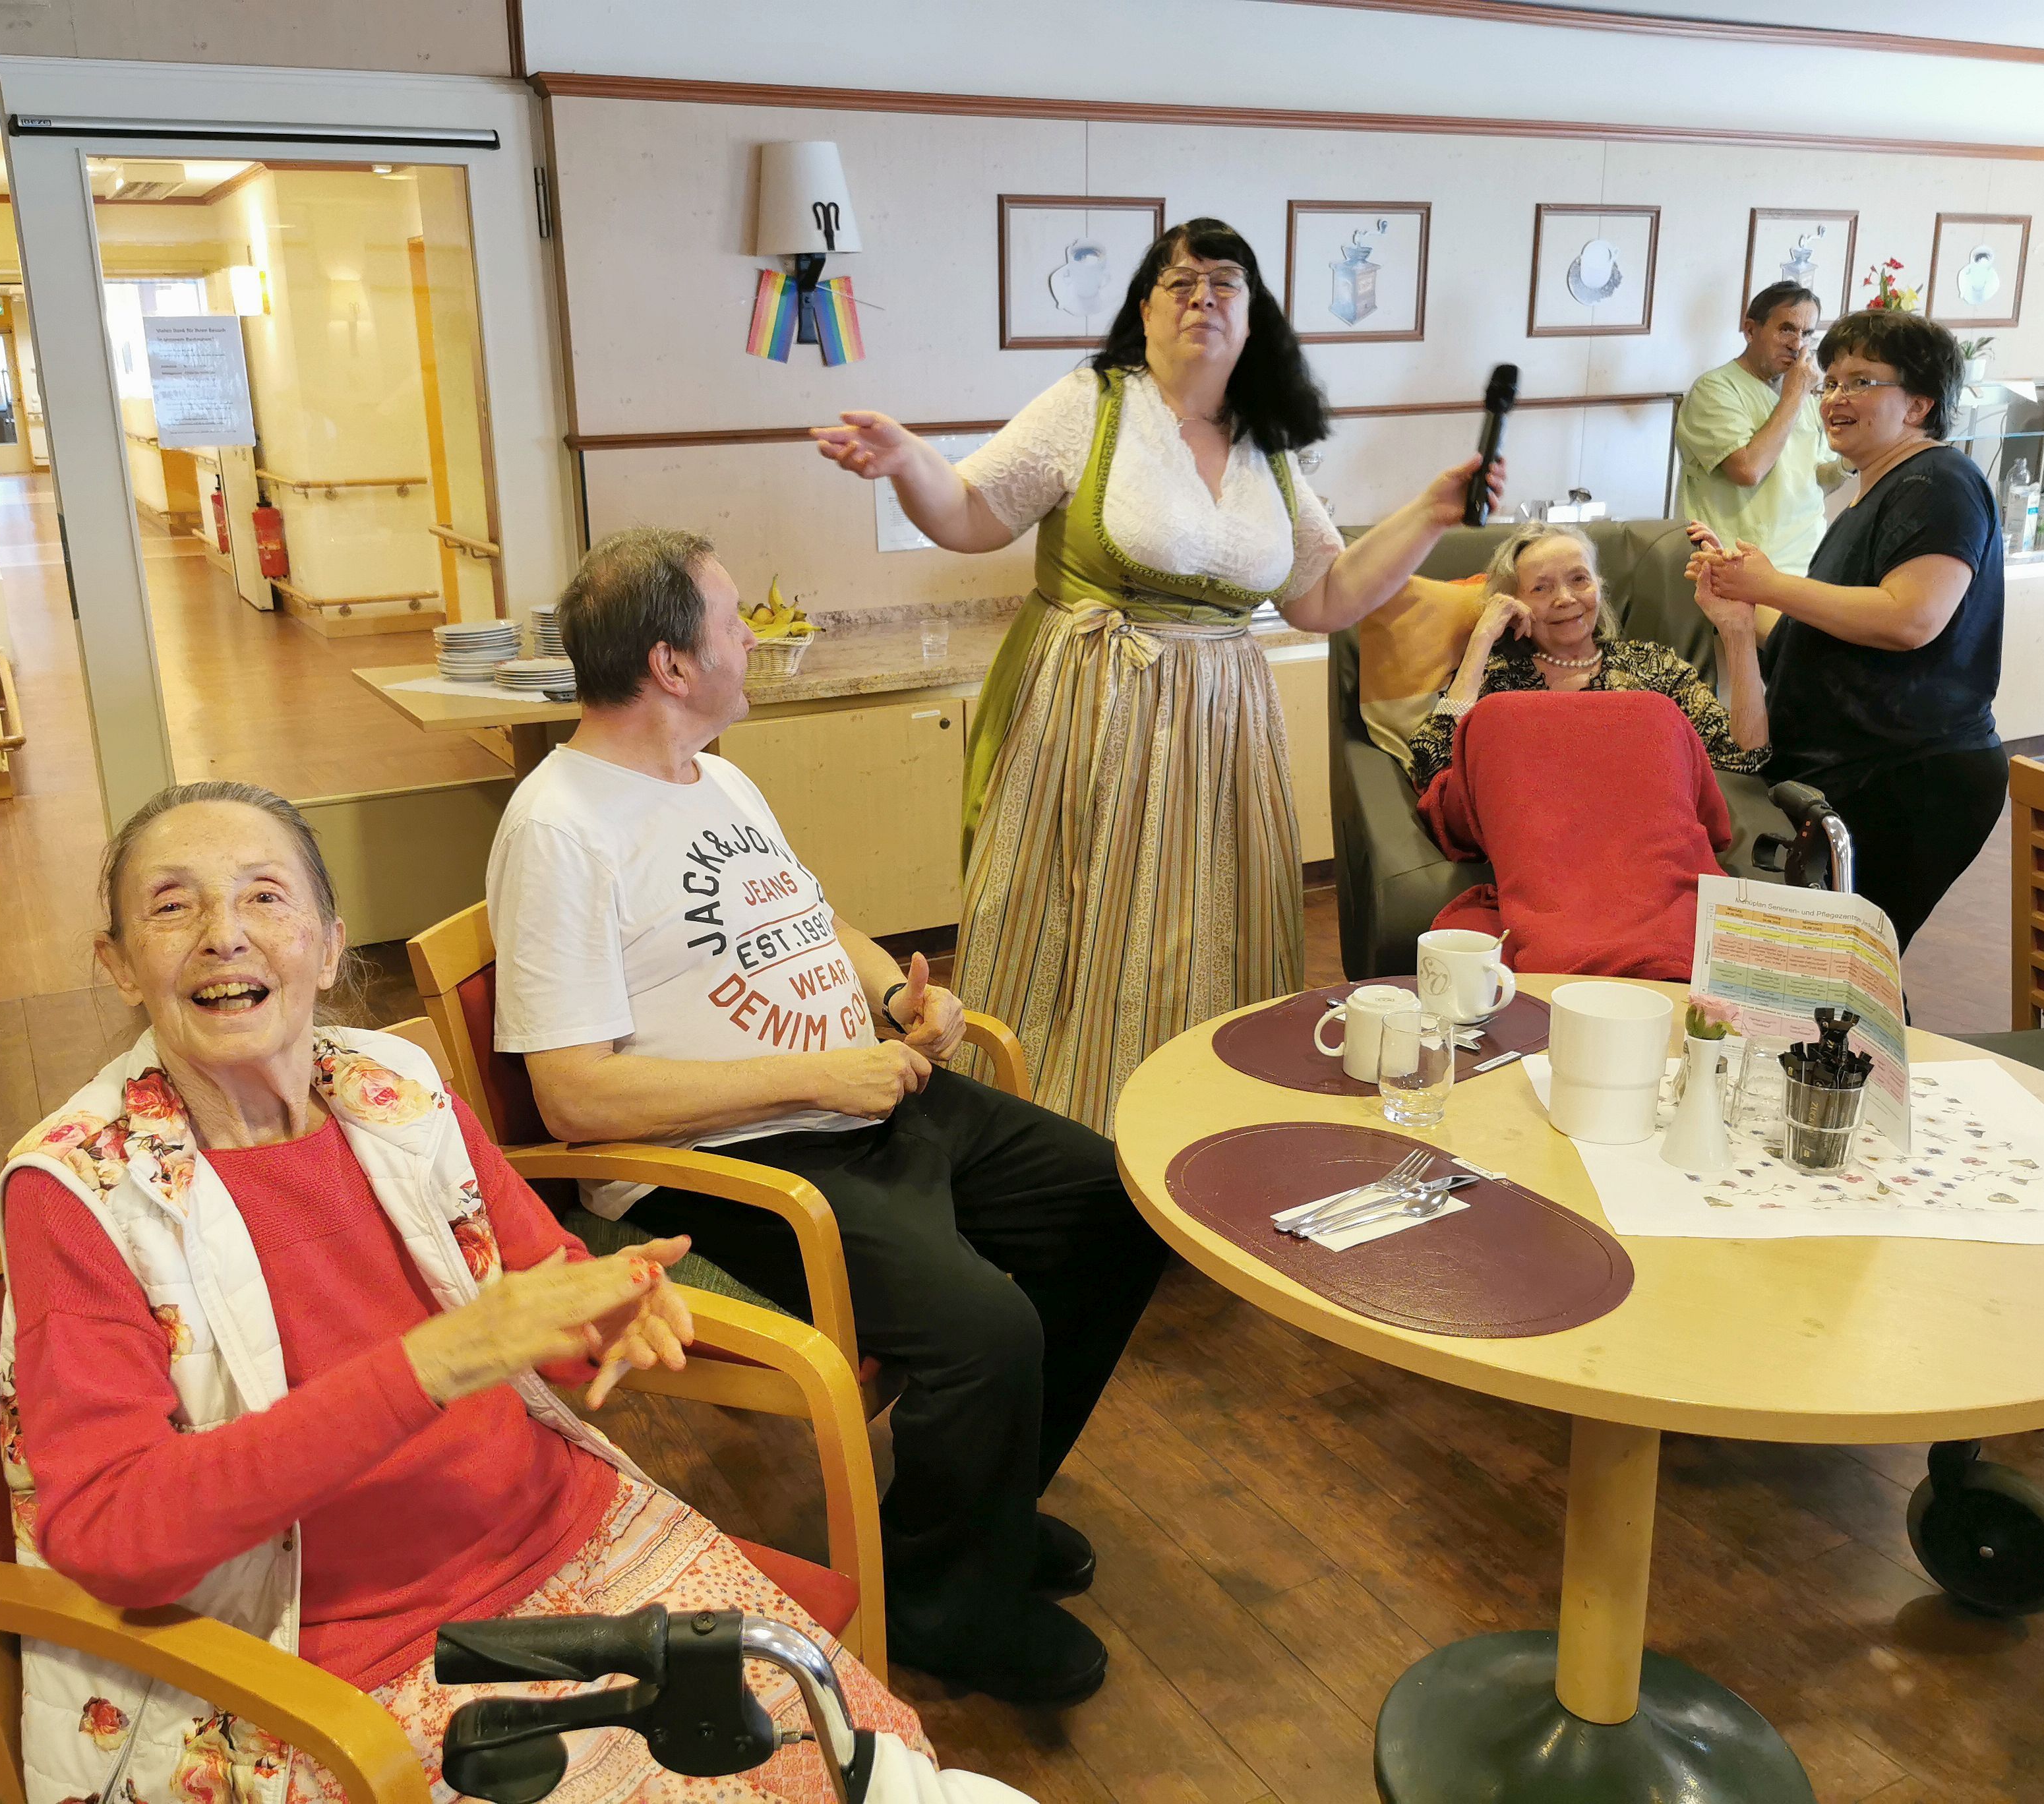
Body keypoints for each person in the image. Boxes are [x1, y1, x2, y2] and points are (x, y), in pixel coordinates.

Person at [0, 781, 955, 1804]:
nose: (224, 934)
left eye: (265, 897)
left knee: (879, 1771)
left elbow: (542, 1282)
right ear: (119, 964)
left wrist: (604, 1314)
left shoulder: (392, 1089)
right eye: (172, 905)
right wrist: (428, 1366)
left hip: (574, 1529)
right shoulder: (81, 1192)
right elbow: (108, 1535)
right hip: (340, 1655)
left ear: (329, 947)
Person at [485, 528, 1168, 1706]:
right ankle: (944, 1603)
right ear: (670, 664)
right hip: (725, 1164)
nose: (755, 639)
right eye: (733, 621)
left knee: (1112, 1202)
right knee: (986, 1330)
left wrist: (894, 993)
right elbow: (573, 1097)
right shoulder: (559, 829)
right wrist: (811, 1081)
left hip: (854, 1097)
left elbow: (807, 913)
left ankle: (983, 1518)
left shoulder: (715, 773)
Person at [810, 216, 1502, 1131]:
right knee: (1083, 922)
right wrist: (909, 463)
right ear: (1145, 309)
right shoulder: (1092, 405)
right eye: (1180, 283)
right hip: (1094, 710)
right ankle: (1057, 1124)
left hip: (1225, 728)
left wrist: (1431, 512)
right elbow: (973, 513)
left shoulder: (1266, 446)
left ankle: (1203, 1116)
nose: (1202, 299)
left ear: (1253, 317)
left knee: (1213, 926)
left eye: (1225, 285)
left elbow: (1324, 595)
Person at [1689, 308, 2005, 951]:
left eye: (1861, 382)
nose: (1835, 398)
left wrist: (1769, 584)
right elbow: (1819, 636)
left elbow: (1911, 619)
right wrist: (1738, 605)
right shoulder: (1874, 494)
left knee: (1847, 970)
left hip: (1908, 776)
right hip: (1854, 776)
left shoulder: (1938, 481)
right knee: (1825, 971)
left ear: (1918, 404)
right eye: (1831, 381)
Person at [1404, 522, 1768, 794]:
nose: (1565, 598)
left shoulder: (1653, 668)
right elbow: (1430, 766)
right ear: (1515, 604)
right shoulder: (1497, 680)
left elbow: (1743, 757)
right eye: (1541, 588)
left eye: (1579, 579)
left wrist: (1737, 630)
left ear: (1599, 586)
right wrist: (1482, 639)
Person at [1674, 280, 1849, 581]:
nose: (1797, 345)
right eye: (1787, 329)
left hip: (1809, 564)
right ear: (1750, 330)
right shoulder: (1715, 389)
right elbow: (1747, 471)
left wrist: (1852, 461)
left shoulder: (1803, 394)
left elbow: (1816, 481)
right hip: (1734, 565)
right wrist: (1795, 395)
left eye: (1807, 333)